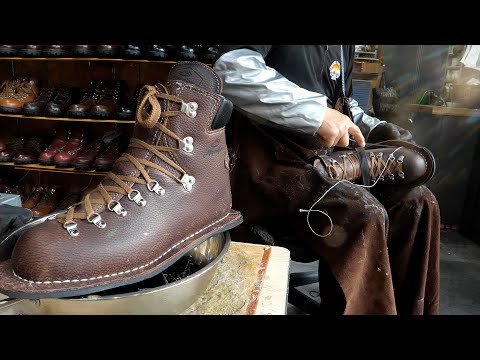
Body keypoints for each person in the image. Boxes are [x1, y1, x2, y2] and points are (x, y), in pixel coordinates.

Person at [212, 45, 440, 315]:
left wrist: (373, 127)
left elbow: (342, 103)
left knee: (419, 202)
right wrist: (315, 113)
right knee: (361, 213)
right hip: (269, 169)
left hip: (326, 161)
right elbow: (231, 70)